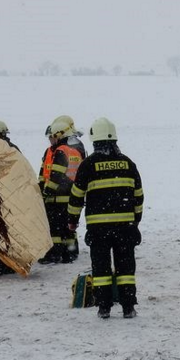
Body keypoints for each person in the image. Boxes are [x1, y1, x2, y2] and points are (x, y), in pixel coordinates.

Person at [67, 118, 144, 319]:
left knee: (100, 268)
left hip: (98, 228)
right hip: (125, 227)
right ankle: (128, 307)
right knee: (126, 268)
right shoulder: (128, 163)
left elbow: (76, 196)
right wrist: (135, 220)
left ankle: (104, 307)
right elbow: (139, 196)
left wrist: (72, 220)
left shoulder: (88, 165)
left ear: (95, 141)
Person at [38, 116, 83, 264]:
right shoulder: (74, 150)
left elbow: (56, 175)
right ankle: (70, 252)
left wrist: (45, 192)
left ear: (59, 135)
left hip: (56, 198)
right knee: (68, 229)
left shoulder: (60, 151)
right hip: (71, 197)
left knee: (54, 229)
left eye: (52, 136)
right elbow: (44, 172)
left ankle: (54, 253)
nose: (50, 139)